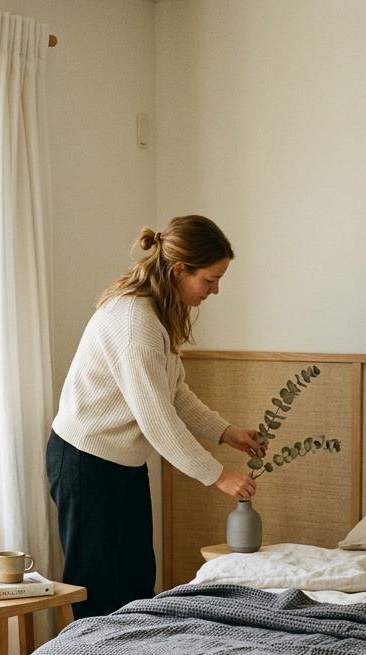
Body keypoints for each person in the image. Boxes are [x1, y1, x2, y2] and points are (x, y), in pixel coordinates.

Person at [46, 215, 263, 618]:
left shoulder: (157, 314)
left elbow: (174, 392)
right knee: (97, 589)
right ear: (180, 270)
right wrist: (218, 475)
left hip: (122, 463)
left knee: (136, 583)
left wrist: (226, 432)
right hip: (85, 461)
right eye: (210, 280)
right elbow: (157, 421)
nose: (215, 290)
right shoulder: (134, 323)